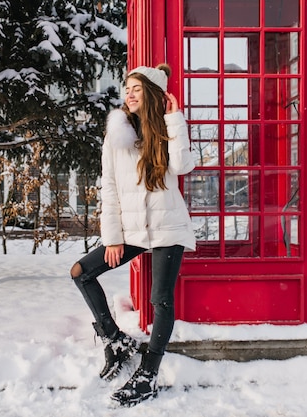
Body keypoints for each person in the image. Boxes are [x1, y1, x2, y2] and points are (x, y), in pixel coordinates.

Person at [70, 63, 196, 407]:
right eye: (127, 88)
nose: (129, 94)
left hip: (167, 226)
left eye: (137, 89)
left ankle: (148, 373)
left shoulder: (167, 129)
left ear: (152, 94)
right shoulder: (116, 134)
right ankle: (115, 340)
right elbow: (108, 187)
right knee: (81, 273)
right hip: (132, 229)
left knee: (161, 300)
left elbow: (183, 166)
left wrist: (175, 118)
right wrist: (112, 237)